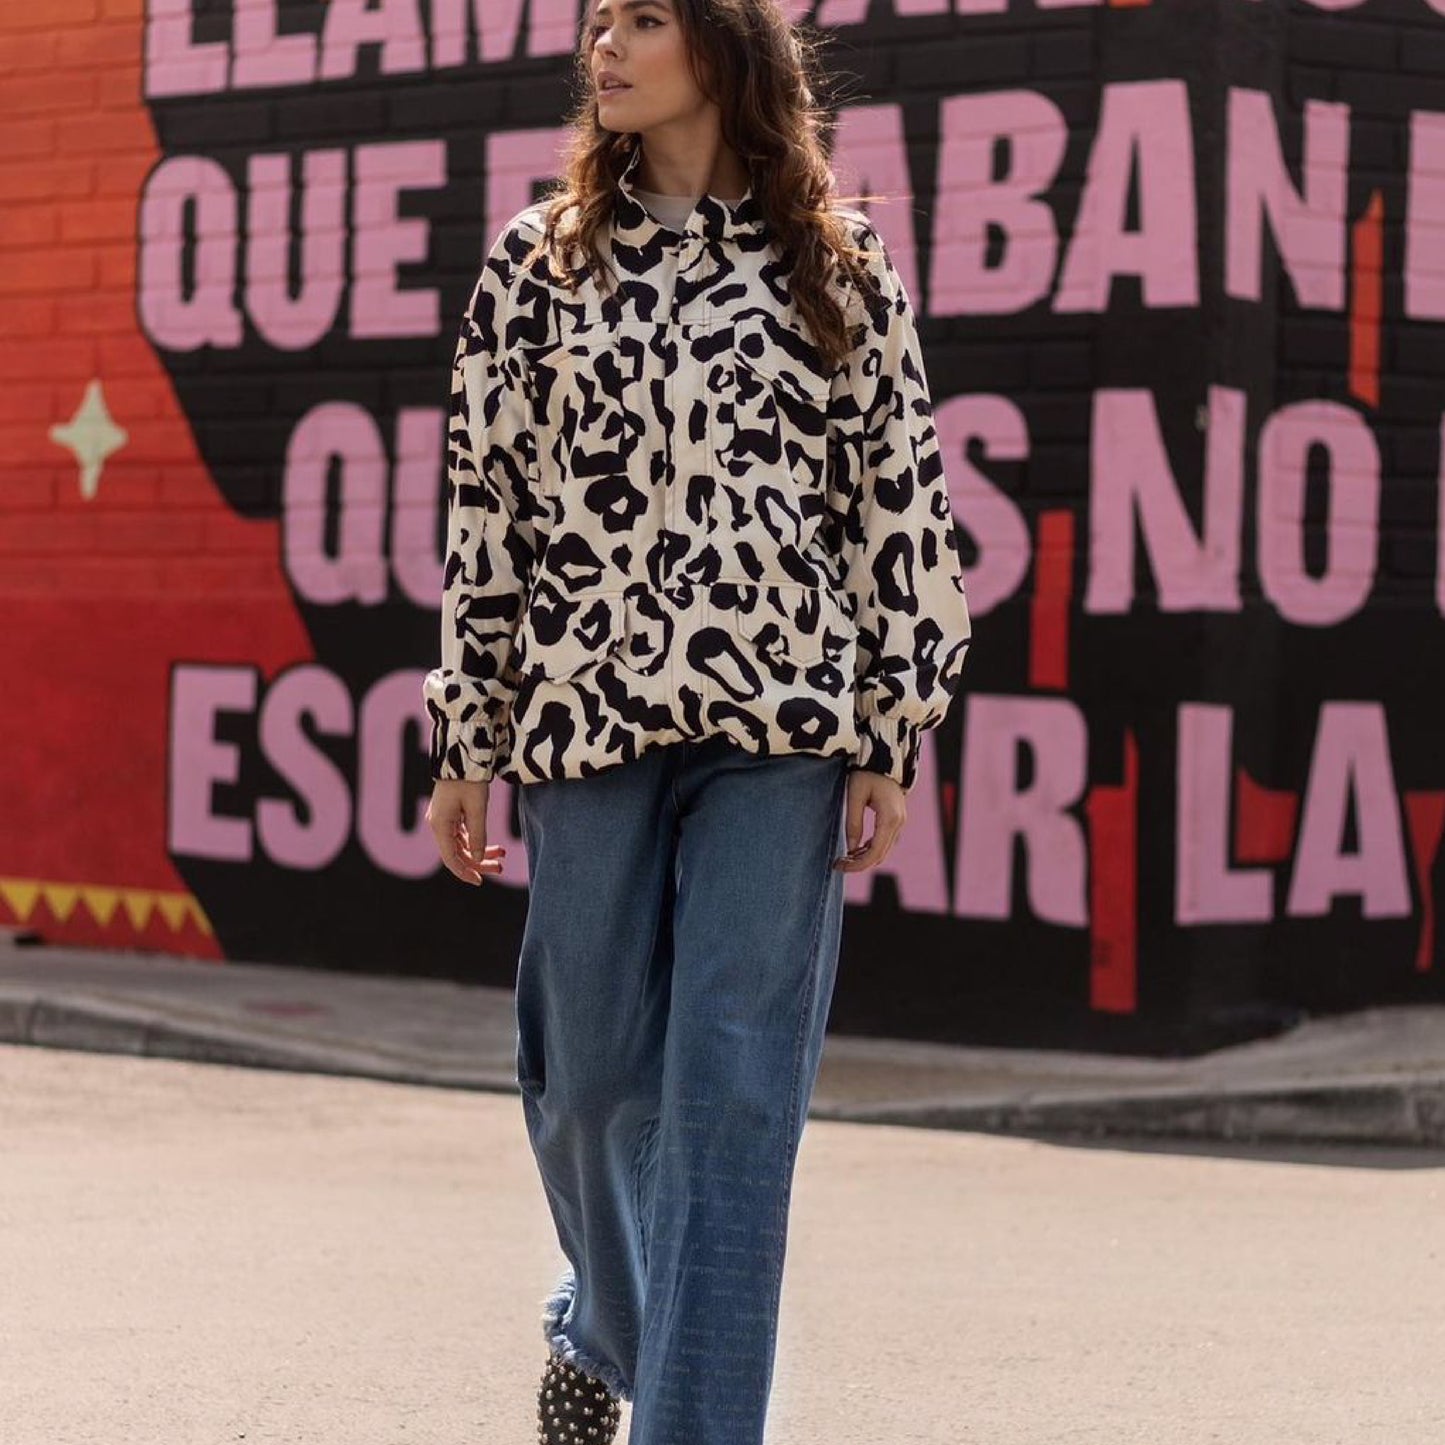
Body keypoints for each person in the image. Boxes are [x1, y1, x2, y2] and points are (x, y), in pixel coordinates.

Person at [422, 1, 971, 1440]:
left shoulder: (833, 269)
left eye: (644, 19)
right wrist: (468, 731)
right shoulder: (536, 267)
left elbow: (897, 506)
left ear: (721, 50)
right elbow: (488, 512)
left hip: (783, 726)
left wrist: (890, 728)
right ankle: (606, 1324)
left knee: (730, 1099)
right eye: (597, 20)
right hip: (584, 713)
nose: (604, 45)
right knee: (589, 1076)